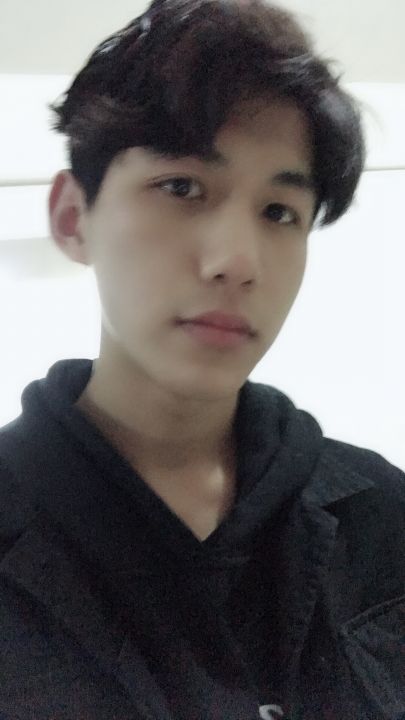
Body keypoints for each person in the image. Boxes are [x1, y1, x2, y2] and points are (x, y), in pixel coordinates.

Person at [0, 0, 404, 718]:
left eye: (279, 212)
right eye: (181, 187)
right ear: (72, 217)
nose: (237, 262)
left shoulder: (381, 510)